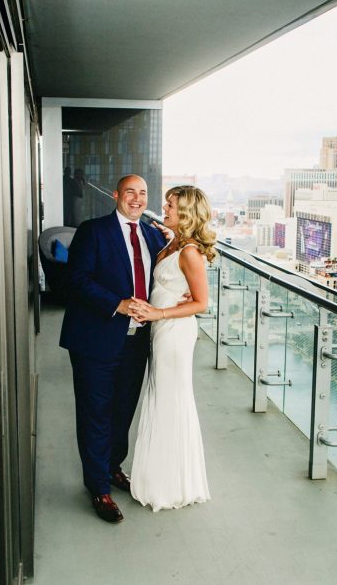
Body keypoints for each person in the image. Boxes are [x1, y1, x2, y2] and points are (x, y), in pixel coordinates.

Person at [59, 174, 167, 523]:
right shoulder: (93, 231)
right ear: (116, 194)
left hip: (137, 341)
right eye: (130, 192)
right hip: (95, 338)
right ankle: (98, 487)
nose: (137, 199)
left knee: (123, 410)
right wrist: (117, 304)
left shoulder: (152, 235)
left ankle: (113, 467)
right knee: (95, 413)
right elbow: (76, 281)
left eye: (143, 194)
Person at [128, 185, 214, 511]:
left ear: (187, 213)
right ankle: (160, 478)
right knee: (160, 397)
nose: (165, 208)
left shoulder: (190, 252)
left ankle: (172, 484)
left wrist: (158, 312)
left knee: (172, 400)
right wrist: (169, 233)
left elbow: (202, 302)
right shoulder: (174, 242)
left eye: (171, 206)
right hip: (162, 331)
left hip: (175, 334)